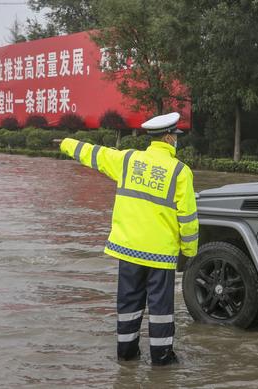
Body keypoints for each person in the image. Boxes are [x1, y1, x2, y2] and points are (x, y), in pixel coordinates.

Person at [58, 112, 199, 366]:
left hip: (129, 250)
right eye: (175, 137)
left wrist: (65, 143)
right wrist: (188, 253)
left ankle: (126, 354)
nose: (177, 140)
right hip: (161, 255)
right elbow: (188, 219)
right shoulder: (180, 172)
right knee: (160, 310)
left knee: (129, 303)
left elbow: (95, 154)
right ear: (168, 138)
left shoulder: (128, 160)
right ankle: (162, 359)